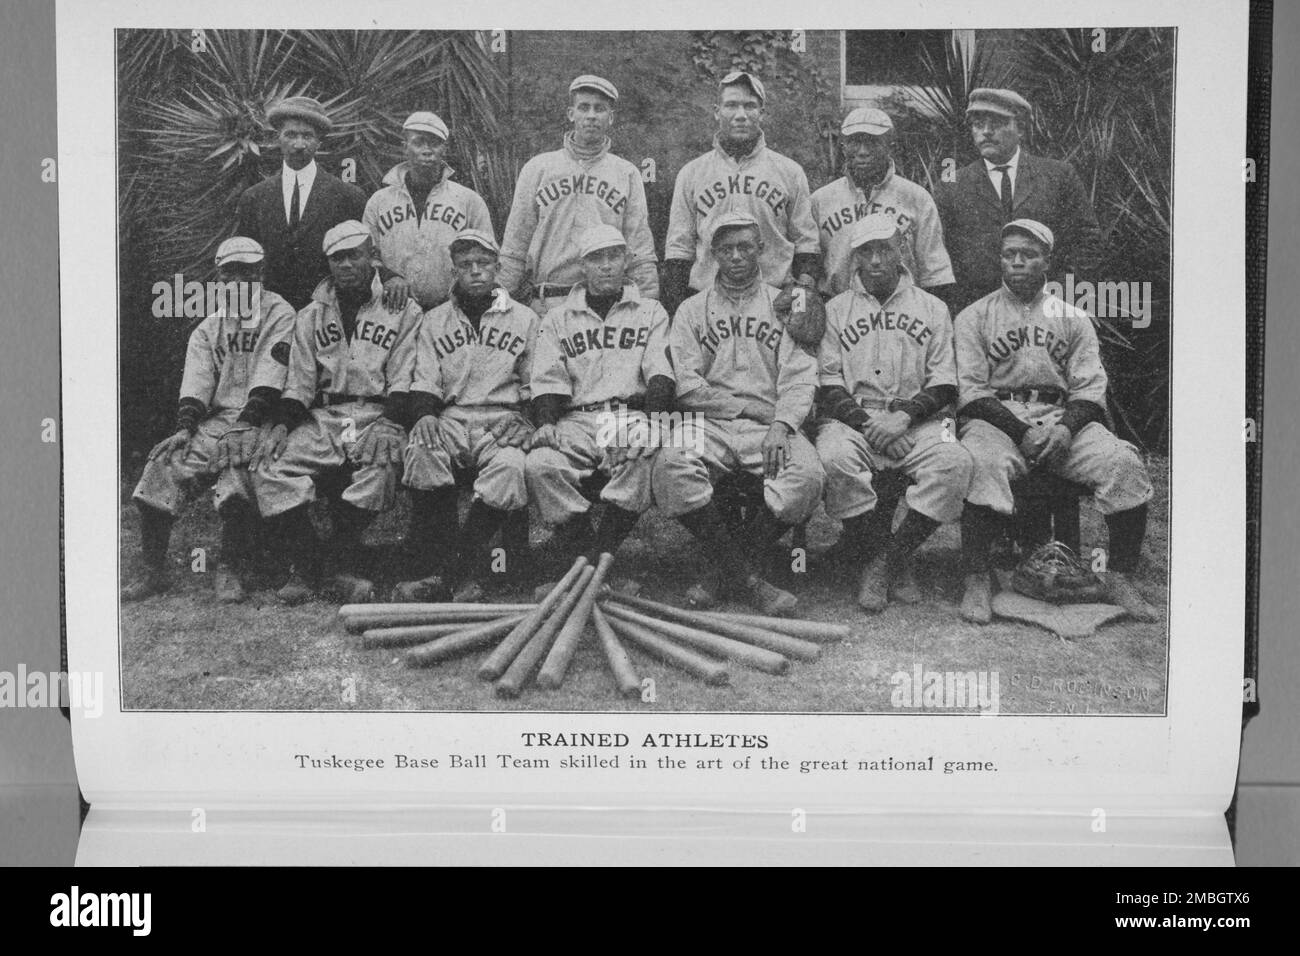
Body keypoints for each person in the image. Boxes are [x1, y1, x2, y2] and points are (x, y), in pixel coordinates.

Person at [954, 219, 1156, 623]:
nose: (1016, 262)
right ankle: (976, 577)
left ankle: (1118, 575)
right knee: (979, 462)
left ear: (1047, 259)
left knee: (1123, 463)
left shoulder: (1073, 317)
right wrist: (1021, 431)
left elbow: (1090, 389)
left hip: (1062, 418)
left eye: (1027, 255)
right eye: (1009, 254)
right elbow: (972, 392)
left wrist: (1065, 428)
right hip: (998, 419)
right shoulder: (975, 316)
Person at [652, 213, 825, 616]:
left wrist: (782, 426)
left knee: (807, 477)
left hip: (769, 426)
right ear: (712, 254)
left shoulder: (786, 304)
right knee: (670, 465)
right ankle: (747, 578)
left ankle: (722, 571)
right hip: (710, 423)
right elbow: (688, 387)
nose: (736, 256)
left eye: (745, 247)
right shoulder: (691, 310)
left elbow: (800, 378)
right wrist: (748, 407)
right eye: (726, 249)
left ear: (761, 248)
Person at [251, 221, 423, 604]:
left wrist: (392, 424)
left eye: (354, 255)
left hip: (376, 414)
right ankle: (325, 564)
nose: (345, 265)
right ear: (328, 263)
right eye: (337, 258)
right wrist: (280, 425)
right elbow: (299, 384)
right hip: (327, 417)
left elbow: (403, 378)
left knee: (381, 469)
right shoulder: (311, 314)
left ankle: (328, 564)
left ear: (372, 257)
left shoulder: (402, 308)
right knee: (268, 465)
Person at [813, 214, 972, 612]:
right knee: (833, 458)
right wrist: (870, 425)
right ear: (855, 259)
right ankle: (879, 559)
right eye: (866, 251)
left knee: (954, 461)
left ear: (901, 249)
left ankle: (889, 559)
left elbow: (945, 381)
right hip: (855, 421)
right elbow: (828, 382)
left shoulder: (933, 308)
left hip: (916, 422)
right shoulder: (835, 309)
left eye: (885, 248)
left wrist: (903, 419)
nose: (877, 260)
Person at [124, 237, 297, 603]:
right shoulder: (208, 326)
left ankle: (230, 567)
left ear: (260, 273)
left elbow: (271, 377)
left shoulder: (280, 313)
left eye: (247, 272)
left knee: (235, 468)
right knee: (163, 464)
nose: (238, 280)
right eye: (230, 272)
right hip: (218, 420)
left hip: (263, 417)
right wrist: (185, 429)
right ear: (218, 277)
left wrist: (245, 426)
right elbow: (197, 384)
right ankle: (154, 570)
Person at [392, 230, 538, 603]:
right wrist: (424, 414)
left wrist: (526, 416)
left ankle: (452, 570)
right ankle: (443, 566)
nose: (475, 272)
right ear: (454, 271)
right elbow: (424, 378)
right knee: (423, 451)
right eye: (466, 266)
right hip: (452, 417)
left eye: (483, 264)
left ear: (498, 268)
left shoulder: (524, 318)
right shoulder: (435, 319)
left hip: (502, 418)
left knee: (509, 468)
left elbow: (537, 381)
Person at [524, 224, 674, 570]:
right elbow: (548, 381)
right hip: (577, 419)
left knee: (644, 454)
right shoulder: (558, 317)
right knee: (540, 464)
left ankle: (592, 563)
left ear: (627, 261)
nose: (606, 265)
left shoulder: (651, 311)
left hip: (628, 416)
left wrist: (653, 422)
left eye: (614, 256)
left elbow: (661, 375)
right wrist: (546, 423)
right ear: (583, 265)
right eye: (596, 258)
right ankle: (593, 559)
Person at [662, 71, 822, 316]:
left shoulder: (789, 172)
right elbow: (679, 251)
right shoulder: (692, 173)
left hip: (774, 301)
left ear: (762, 113)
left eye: (750, 106)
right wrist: (677, 314)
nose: (741, 115)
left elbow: (807, 247)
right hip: (708, 303)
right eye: (731, 106)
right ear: (717, 111)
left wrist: (799, 306)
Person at [498, 75, 659, 317]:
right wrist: (498, 306)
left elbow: (640, 251)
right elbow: (514, 247)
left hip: (606, 306)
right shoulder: (539, 168)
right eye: (584, 107)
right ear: (571, 114)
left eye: (600, 109)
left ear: (611, 118)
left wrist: (648, 310)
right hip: (547, 303)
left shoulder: (626, 173)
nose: (591, 115)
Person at [935, 88, 1101, 314]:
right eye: (977, 124)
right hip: (978, 313)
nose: (986, 132)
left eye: (997, 123)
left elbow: (1087, 241)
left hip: (1049, 308)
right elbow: (938, 255)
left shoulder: (1058, 176)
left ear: (1020, 128)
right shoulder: (952, 185)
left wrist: (1059, 296)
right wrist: (965, 309)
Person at [235, 96, 368, 310]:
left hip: (328, 315)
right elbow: (243, 264)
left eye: (307, 136)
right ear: (278, 138)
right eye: (290, 135)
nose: (299, 144)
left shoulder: (348, 196)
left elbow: (362, 262)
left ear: (319, 142)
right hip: (271, 317)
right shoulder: (254, 198)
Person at [811, 107, 954, 300]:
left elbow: (935, 274)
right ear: (844, 147)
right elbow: (808, 268)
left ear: (891, 147)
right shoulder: (821, 200)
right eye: (855, 142)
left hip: (903, 310)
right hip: (838, 312)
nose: (862, 152)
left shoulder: (917, 198)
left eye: (873, 142)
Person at [363, 111, 494, 313]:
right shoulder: (379, 201)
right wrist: (389, 277)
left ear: (444, 149)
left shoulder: (468, 200)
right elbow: (367, 255)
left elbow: (487, 257)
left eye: (434, 143)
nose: (427, 150)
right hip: (393, 310)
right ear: (404, 147)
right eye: (419, 142)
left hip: (452, 310)